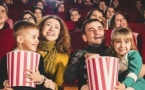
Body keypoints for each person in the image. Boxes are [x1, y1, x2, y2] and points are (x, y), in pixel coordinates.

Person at [64, 19, 109, 89]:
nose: (97, 32)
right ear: (85, 37)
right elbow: (68, 78)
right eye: (91, 30)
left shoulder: (112, 51)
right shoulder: (80, 54)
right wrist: (84, 61)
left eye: (100, 29)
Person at [0, 21, 45, 89]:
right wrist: (5, 82)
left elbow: (41, 82)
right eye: (33, 37)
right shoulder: (7, 58)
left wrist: (39, 79)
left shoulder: (39, 58)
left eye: (37, 37)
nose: (37, 40)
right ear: (20, 39)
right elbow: (1, 76)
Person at [37, 15, 71, 90]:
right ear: (41, 27)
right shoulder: (30, 48)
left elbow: (59, 85)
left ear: (59, 33)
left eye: (56, 27)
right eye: (48, 25)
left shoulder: (62, 56)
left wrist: (53, 85)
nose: (52, 29)